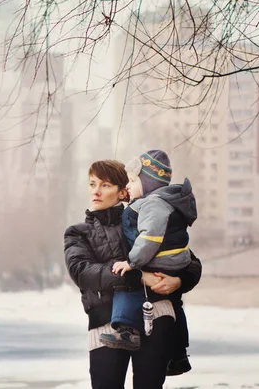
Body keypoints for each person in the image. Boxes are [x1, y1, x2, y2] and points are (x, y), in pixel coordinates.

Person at [64, 159, 202, 389]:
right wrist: (138, 277)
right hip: (105, 325)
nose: (96, 191)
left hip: (155, 317)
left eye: (105, 185)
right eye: (92, 184)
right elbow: (82, 272)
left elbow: (189, 260)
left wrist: (178, 281)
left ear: (122, 192)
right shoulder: (79, 233)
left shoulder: (143, 217)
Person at [99, 150, 196, 377]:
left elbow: (150, 237)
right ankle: (179, 352)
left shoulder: (154, 204)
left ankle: (125, 329)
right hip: (175, 259)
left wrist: (133, 262)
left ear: (147, 182)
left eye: (132, 181)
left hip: (161, 259)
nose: (128, 187)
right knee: (175, 303)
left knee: (127, 283)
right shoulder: (159, 201)